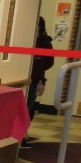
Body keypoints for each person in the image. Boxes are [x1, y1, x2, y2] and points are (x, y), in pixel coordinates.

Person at [23, 16, 54, 148]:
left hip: (35, 80)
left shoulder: (44, 43)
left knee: (28, 108)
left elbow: (49, 62)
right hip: (26, 79)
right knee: (24, 108)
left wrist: (39, 74)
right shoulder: (25, 39)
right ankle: (20, 136)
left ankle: (22, 136)